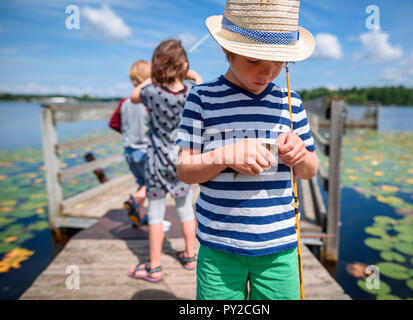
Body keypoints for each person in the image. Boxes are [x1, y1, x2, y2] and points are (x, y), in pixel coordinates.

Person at [175, 0, 319, 300]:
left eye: (278, 62)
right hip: (218, 247)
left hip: (280, 249)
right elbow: (184, 170)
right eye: (254, 61)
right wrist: (223, 155)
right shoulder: (202, 98)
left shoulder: (291, 102)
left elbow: (311, 169)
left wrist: (301, 156)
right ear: (228, 50)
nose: (267, 73)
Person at [127, 40, 202, 282]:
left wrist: (152, 75)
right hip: (181, 163)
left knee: (157, 216)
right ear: (183, 65)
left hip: (157, 164)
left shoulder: (153, 92)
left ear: (158, 65)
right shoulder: (191, 93)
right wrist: (190, 73)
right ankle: (190, 256)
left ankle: (155, 267)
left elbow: (134, 95)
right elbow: (202, 87)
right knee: (186, 212)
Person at [109, 60, 151, 226]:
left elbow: (114, 123)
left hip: (128, 151)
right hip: (145, 151)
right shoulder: (149, 101)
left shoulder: (124, 102)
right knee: (154, 184)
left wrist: (128, 133)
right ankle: (135, 200)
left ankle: (139, 217)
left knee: (142, 183)